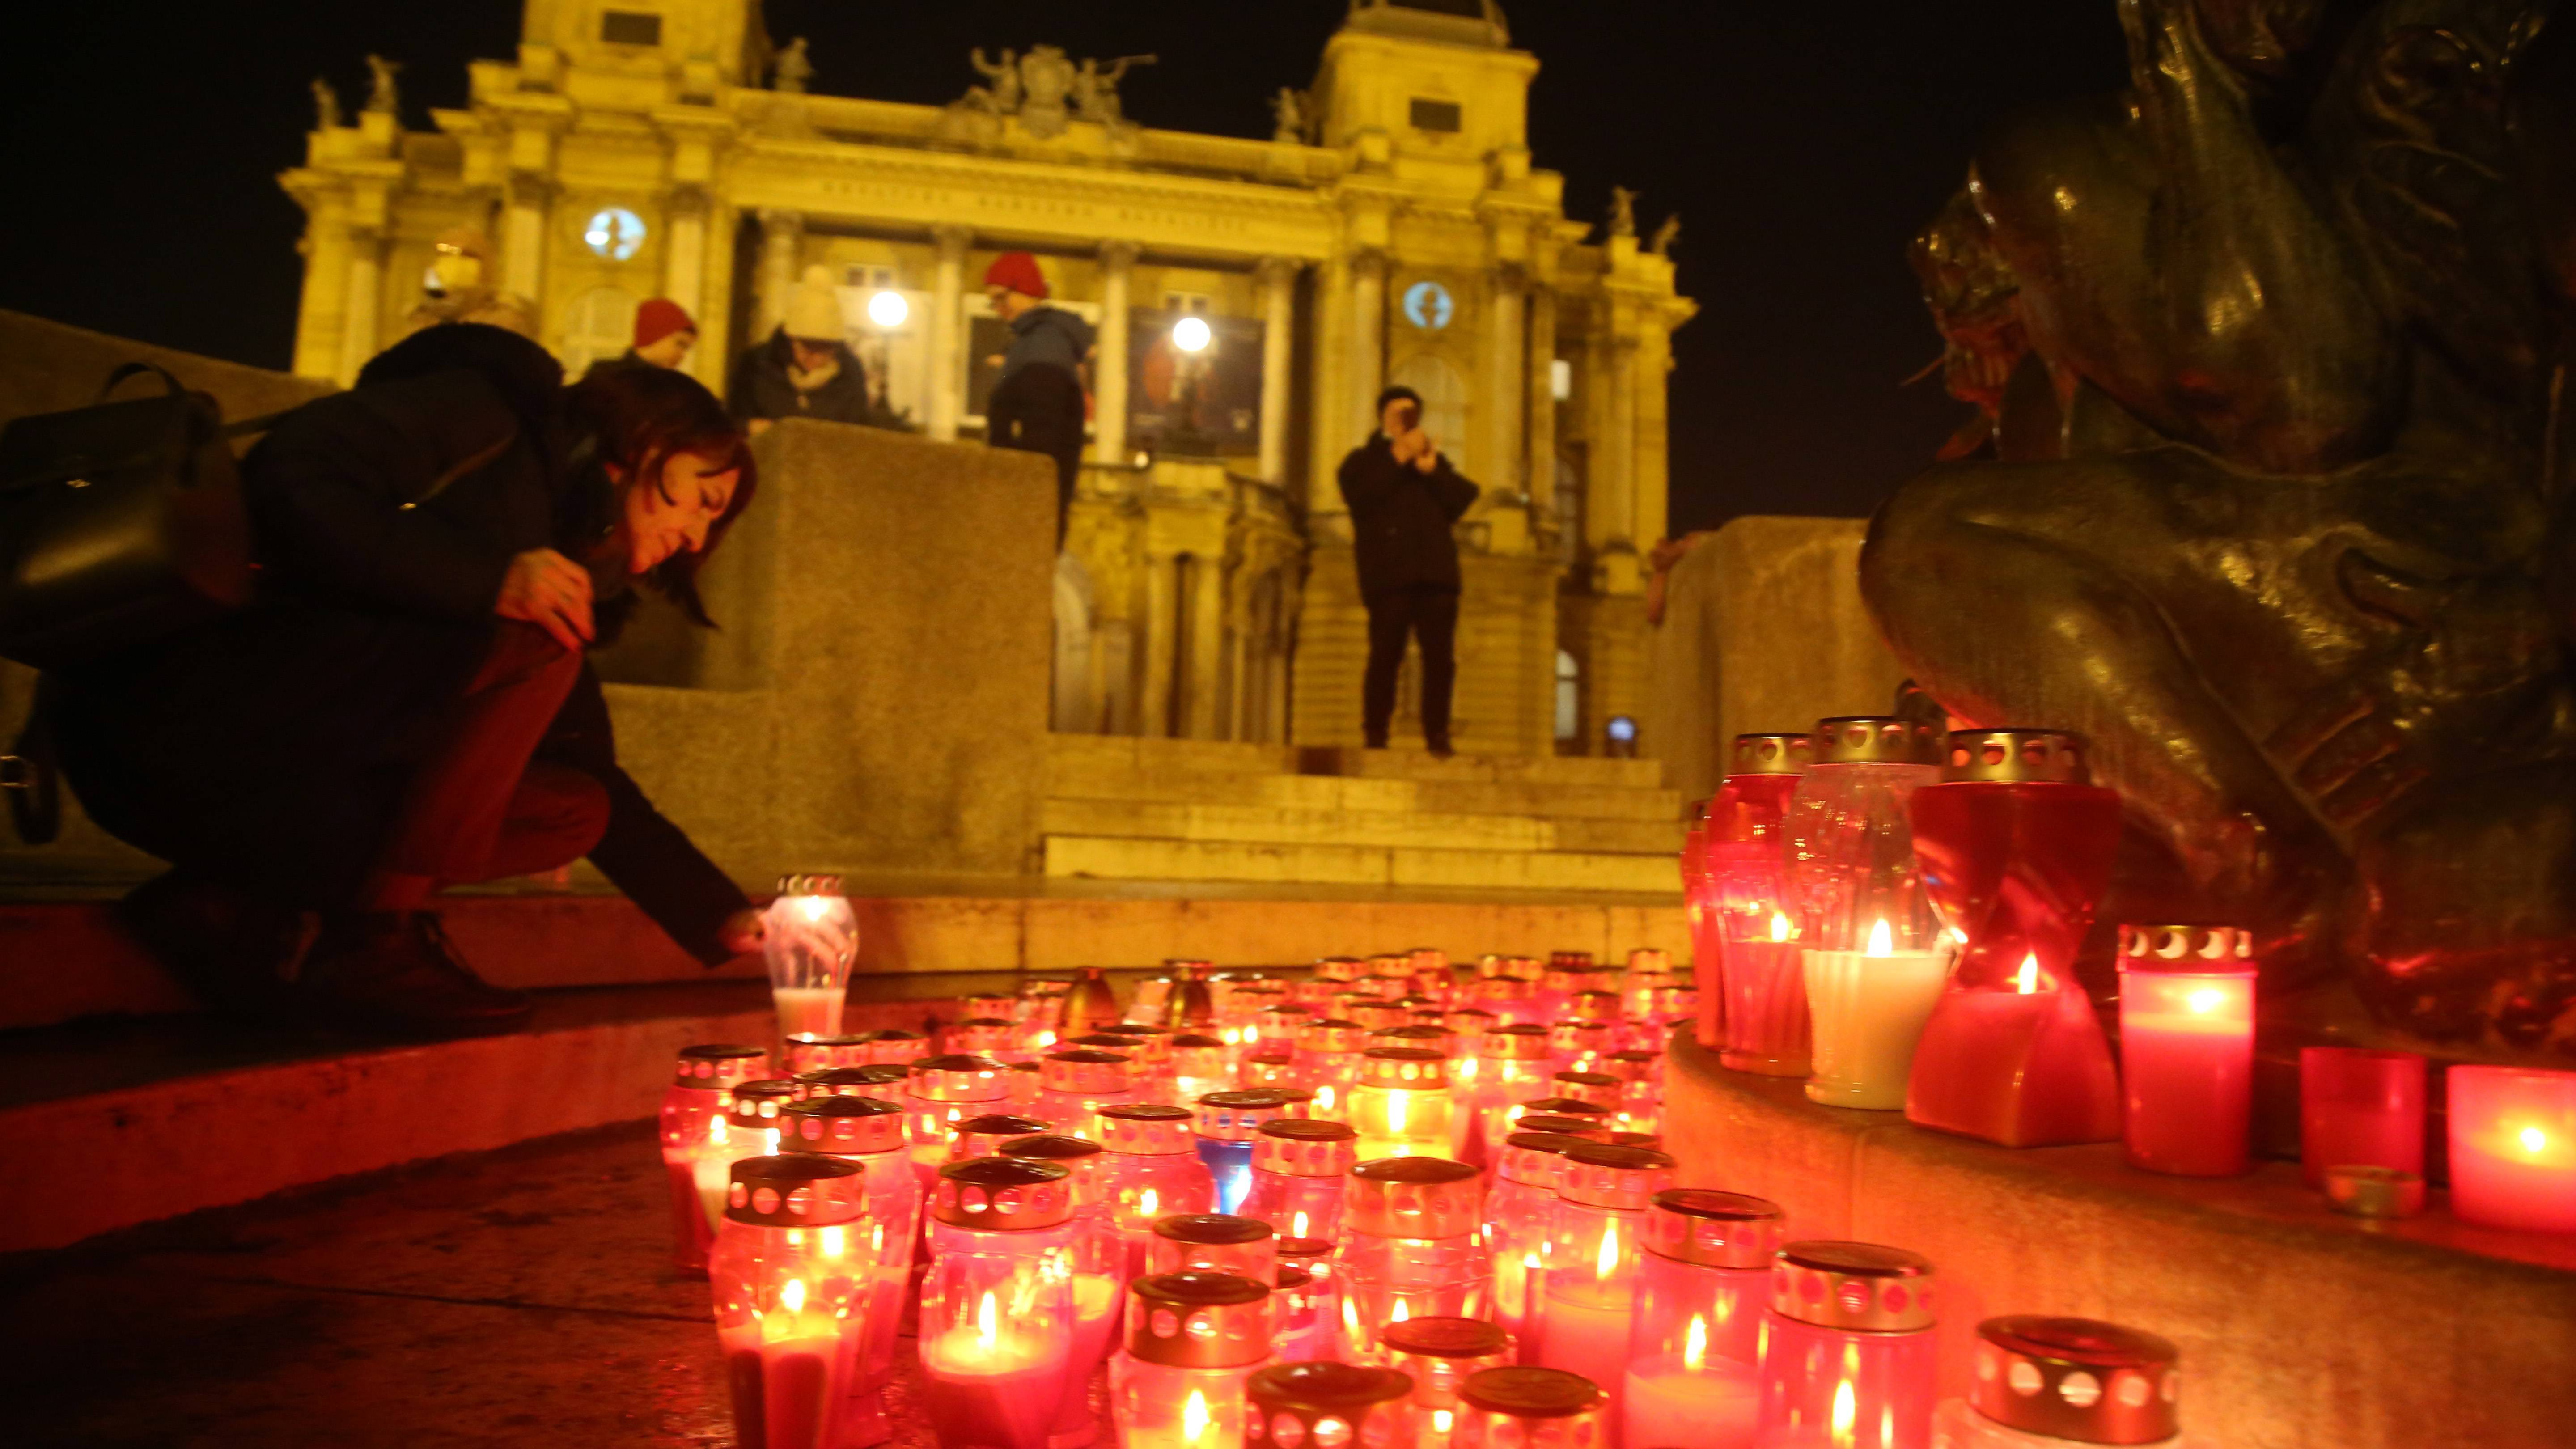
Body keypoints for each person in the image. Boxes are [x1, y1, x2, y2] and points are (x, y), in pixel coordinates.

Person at [46, 324, 765, 1038]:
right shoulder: (483, 414)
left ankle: (223, 900)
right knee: (540, 639)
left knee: (571, 810)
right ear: (649, 438)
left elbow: (587, 763)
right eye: (704, 500)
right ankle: (375, 943)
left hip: (298, 764)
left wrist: (726, 917)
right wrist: (489, 580)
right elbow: (290, 479)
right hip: (188, 714)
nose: (698, 540)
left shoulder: (560, 549)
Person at [1339, 385, 1479, 754]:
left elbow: (1462, 500)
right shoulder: (1363, 461)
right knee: (1386, 655)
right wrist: (1397, 458)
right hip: (1389, 576)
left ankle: (1437, 734)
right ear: (1384, 417)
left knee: (1440, 660)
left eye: (1413, 413)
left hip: (1436, 574)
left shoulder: (1431, 463)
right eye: (1400, 413)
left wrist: (1432, 470)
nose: (1406, 420)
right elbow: (1360, 499)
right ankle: (1375, 732)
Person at [980, 251, 1093, 545]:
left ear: (1026, 291)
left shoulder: (1044, 346)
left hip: (1027, 509)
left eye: (1002, 299)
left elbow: (1042, 436)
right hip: (1034, 505)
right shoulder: (1037, 344)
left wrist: (1019, 500)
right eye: (994, 302)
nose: (999, 309)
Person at [730, 264, 869, 436]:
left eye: (824, 350)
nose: (815, 358)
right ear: (792, 341)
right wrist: (748, 427)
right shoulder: (756, 366)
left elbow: (859, 430)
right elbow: (728, 425)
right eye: (807, 348)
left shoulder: (849, 374)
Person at [585, 298, 696, 378]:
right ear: (655, 334)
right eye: (680, 344)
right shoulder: (605, 376)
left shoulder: (674, 386)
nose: (682, 355)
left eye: (686, 348)